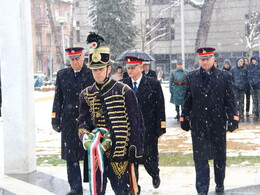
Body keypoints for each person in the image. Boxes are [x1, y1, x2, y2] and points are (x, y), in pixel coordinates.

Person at [77, 32, 144, 195]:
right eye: (94, 69)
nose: (97, 72)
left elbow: (136, 122)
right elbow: (82, 122)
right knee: (97, 191)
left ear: (108, 69)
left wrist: (135, 149)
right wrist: (85, 137)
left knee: (122, 190)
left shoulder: (124, 91)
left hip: (120, 152)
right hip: (95, 153)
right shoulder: (85, 94)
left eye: (100, 69)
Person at [180, 47, 238, 195]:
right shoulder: (192, 77)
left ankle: (219, 183)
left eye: (208, 58)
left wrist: (233, 118)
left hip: (217, 122)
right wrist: (184, 117)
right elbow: (188, 99)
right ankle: (202, 189)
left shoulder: (224, 76)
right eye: (202, 59)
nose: (205, 62)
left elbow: (230, 100)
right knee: (200, 158)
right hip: (198, 123)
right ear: (199, 60)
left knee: (219, 157)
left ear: (213, 59)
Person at [52, 47, 94, 195]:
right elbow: (58, 98)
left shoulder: (91, 74)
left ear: (83, 58)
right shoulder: (62, 74)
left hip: (87, 120)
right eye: (72, 60)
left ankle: (93, 185)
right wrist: (55, 118)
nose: (75, 62)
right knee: (71, 156)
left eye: (77, 59)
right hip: (69, 121)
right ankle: (75, 187)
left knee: (89, 153)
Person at [123, 57, 166, 191]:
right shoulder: (122, 84)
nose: (130, 70)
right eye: (128, 68)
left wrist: (161, 127)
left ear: (141, 67)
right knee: (131, 159)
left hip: (149, 128)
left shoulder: (153, 84)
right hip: (130, 129)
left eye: (133, 67)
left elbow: (160, 106)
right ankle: (134, 186)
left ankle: (154, 174)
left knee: (150, 158)